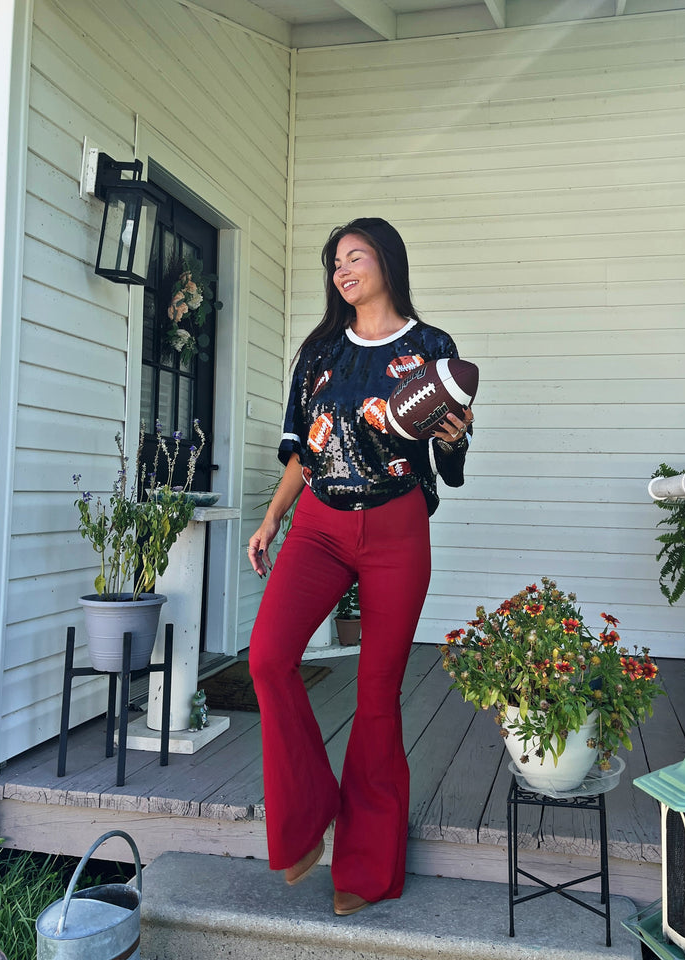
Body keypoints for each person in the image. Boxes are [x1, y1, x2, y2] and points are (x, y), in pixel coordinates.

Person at [247, 217, 473, 916]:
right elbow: (303, 452)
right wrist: (273, 517)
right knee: (266, 657)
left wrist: (456, 442)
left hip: (398, 525)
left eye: (356, 257)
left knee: (377, 697)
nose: (342, 270)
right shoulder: (319, 351)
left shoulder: (432, 349)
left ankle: (366, 869)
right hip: (319, 521)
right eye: (334, 263)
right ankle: (308, 816)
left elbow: (450, 464)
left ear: (388, 262)